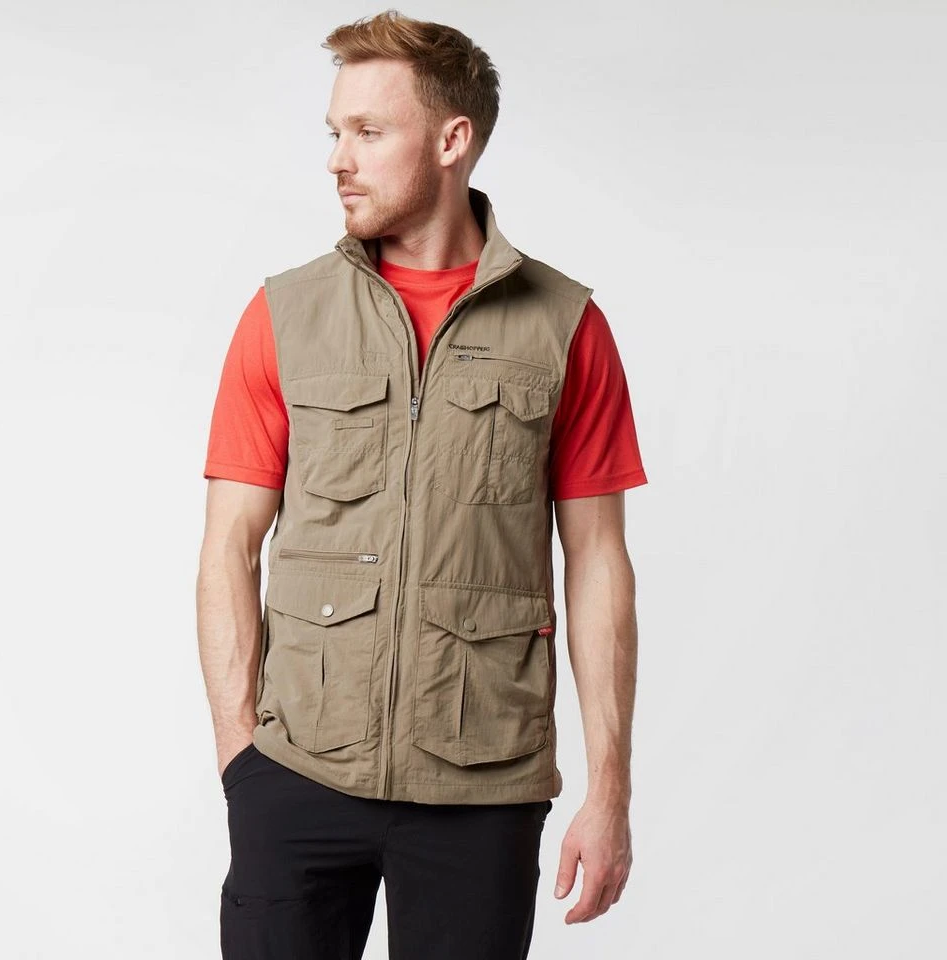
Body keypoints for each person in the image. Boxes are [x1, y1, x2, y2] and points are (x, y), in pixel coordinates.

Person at [196, 10, 646, 959]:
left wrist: (610, 792)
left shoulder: (565, 327)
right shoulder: (283, 315)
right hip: (297, 774)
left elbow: (599, 563)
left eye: (368, 131)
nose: (338, 160)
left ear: (452, 141)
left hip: (482, 786)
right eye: (335, 131)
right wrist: (243, 764)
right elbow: (228, 547)